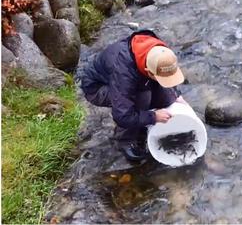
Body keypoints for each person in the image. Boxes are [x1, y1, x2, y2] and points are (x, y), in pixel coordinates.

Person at [80, 30, 188, 161]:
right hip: (97, 88)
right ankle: (124, 140)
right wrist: (153, 117)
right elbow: (122, 115)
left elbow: (166, 76)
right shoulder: (123, 71)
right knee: (142, 97)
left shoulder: (159, 51)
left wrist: (176, 96)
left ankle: (141, 123)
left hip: (134, 77)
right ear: (148, 71)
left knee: (165, 98)